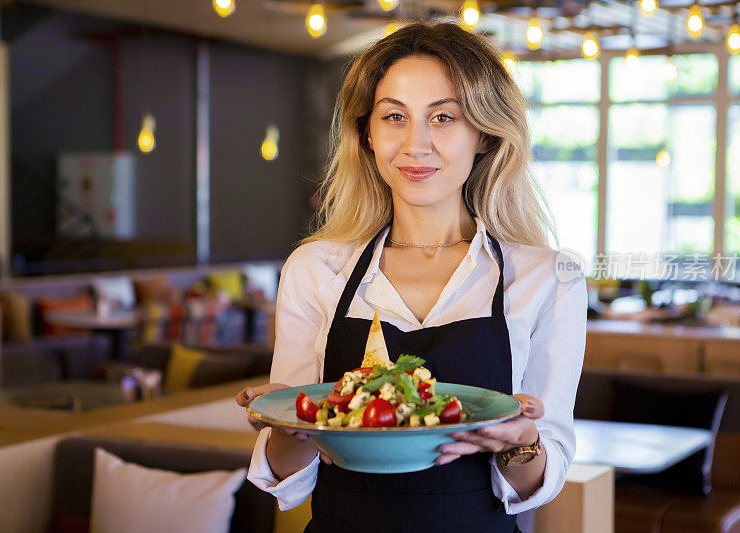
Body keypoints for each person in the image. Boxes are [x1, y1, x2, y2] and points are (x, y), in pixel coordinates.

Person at [236, 21, 586, 532]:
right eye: (394, 117)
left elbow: (540, 479)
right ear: (368, 134)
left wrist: (520, 444)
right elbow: (288, 479)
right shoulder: (316, 269)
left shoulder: (548, 278)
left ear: (484, 134)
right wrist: (286, 428)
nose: (415, 144)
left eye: (443, 117)